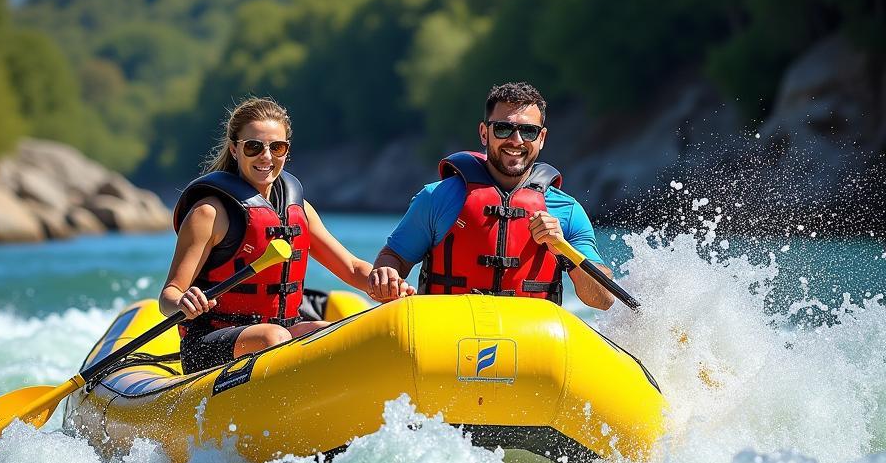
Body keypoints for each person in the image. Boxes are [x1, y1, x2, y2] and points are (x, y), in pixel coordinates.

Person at [161, 96, 379, 373]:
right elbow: (168, 297)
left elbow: (350, 267)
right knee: (273, 337)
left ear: (286, 151)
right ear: (234, 149)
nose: (266, 156)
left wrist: (383, 284)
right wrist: (182, 301)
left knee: (333, 334)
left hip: (282, 333)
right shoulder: (209, 214)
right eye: (254, 147)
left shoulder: (299, 210)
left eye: (277, 147)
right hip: (211, 344)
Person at [368, 81, 614, 310]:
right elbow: (393, 258)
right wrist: (386, 275)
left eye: (528, 131)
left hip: (529, 345)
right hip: (449, 339)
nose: (516, 140)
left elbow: (603, 300)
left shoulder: (566, 210)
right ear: (484, 133)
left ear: (542, 138)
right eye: (504, 128)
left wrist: (563, 249)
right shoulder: (436, 198)